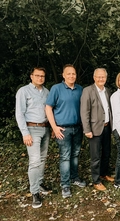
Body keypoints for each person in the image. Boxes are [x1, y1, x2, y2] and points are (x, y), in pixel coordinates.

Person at [45, 64, 86, 199]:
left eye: (73, 74)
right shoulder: (56, 89)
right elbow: (48, 108)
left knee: (75, 154)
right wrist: (54, 127)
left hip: (78, 128)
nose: (71, 76)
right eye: (68, 74)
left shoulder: (80, 89)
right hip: (63, 129)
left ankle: (74, 177)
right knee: (65, 156)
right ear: (63, 75)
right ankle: (65, 184)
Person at [15, 67, 51, 208]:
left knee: (42, 158)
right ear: (31, 76)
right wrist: (25, 133)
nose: (40, 78)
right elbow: (19, 113)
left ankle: (40, 183)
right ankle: (34, 193)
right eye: (37, 75)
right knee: (35, 161)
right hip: (31, 129)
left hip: (45, 128)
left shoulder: (47, 92)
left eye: (42, 76)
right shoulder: (23, 91)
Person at [80, 68, 113, 192]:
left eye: (103, 77)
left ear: (106, 77)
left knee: (106, 153)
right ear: (94, 78)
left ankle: (104, 173)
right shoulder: (88, 91)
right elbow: (84, 112)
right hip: (94, 129)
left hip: (106, 127)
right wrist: (87, 129)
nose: (101, 79)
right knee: (95, 156)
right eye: (98, 77)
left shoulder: (107, 91)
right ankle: (96, 180)